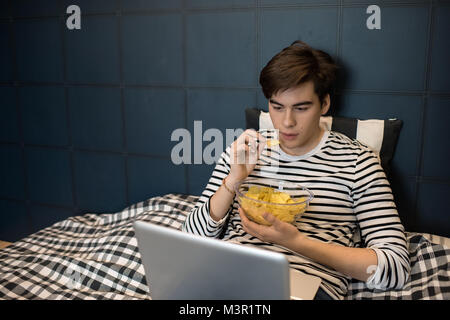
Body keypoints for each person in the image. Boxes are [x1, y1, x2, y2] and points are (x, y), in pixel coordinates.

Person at [182, 41, 410, 300]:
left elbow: (395, 267)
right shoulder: (245, 150)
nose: (287, 122)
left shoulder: (359, 162)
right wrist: (233, 180)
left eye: (301, 108)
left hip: (303, 286)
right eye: (277, 107)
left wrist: (295, 242)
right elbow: (191, 238)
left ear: (324, 104)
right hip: (225, 276)